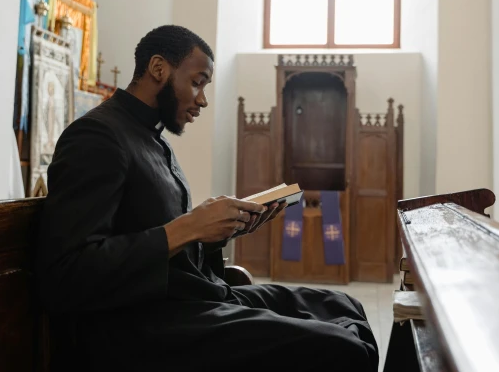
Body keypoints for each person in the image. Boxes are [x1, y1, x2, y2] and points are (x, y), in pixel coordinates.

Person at [36, 25, 378, 372]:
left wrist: (220, 232)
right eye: (197, 82)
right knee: (343, 348)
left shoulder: (154, 139)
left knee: (343, 306)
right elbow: (67, 274)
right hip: (140, 323)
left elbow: (162, 239)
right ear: (159, 69)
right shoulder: (97, 136)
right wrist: (189, 227)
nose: (202, 99)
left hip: (190, 297)